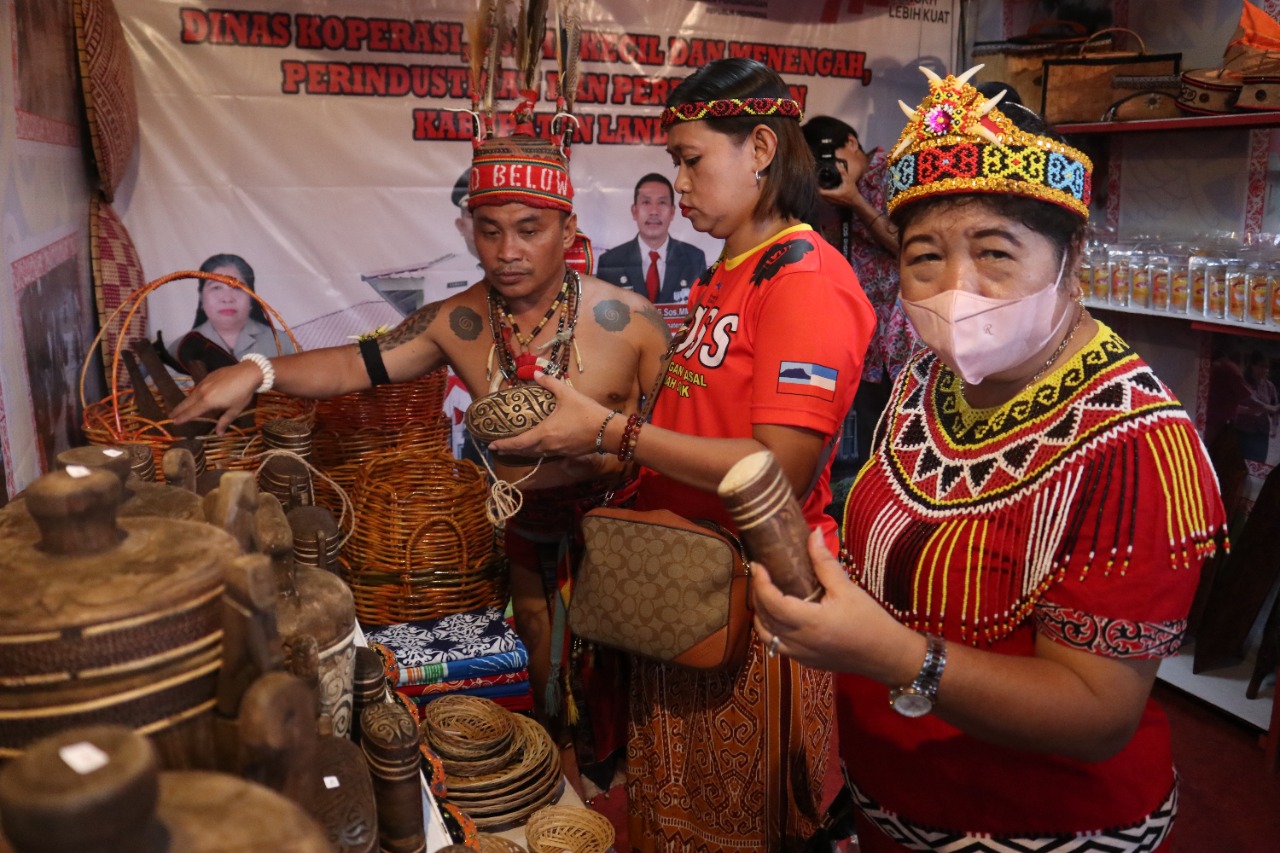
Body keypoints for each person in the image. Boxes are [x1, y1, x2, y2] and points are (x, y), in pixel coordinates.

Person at [750, 67, 1227, 852]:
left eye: (996, 253)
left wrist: (890, 654)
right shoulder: (926, 377)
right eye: (925, 256)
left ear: (1071, 259)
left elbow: (1098, 713)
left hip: (1039, 825)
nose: (956, 291)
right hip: (891, 801)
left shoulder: (1135, 440)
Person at [170, 133, 671, 794]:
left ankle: (630, 789)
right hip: (527, 528)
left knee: (625, 683)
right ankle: (561, 782)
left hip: (618, 531)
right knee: (544, 662)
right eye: (490, 231)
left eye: (529, 229)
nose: (508, 250)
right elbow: (355, 364)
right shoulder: (456, 321)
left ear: (567, 227)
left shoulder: (630, 320)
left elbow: (674, 440)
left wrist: (601, 441)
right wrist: (256, 370)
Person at [490, 57, 875, 851]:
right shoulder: (726, 273)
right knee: (674, 819)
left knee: (746, 827)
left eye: (691, 159)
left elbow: (777, 469)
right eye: (675, 162)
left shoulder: (805, 281)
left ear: (761, 148)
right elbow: (696, 421)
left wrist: (609, 432)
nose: (680, 181)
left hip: (754, 606)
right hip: (676, 589)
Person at [802, 115, 917, 474]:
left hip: (902, 336)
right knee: (870, 441)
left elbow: (908, 245)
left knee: (906, 439)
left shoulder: (896, 173)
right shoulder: (824, 192)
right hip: (861, 339)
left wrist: (855, 200)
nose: (828, 171)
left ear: (851, 143)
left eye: (832, 161)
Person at [168, 253, 296, 372]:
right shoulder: (180, 347)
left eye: (237, 288)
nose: (227, 298)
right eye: (216, 287)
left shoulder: (281, 343)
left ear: (251, 297)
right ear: (201, 297)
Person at [596, 173, 707, 305]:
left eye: (662, 202)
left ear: (672, 212)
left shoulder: (694, 259)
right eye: (646, 202)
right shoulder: (609, 261)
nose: (654, 211)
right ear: (634, 211)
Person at [1236, 350, 1280, 463]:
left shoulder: (1269, 386)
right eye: (1261, 366)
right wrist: (1252, 411)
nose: (1265, 370)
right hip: (1244, 431)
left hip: (1261, 433)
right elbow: (1237, 406)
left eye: (1267, 367)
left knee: (1258, 463)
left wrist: (1274, 427)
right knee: (1240, 463)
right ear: (1252, 366)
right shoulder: (1243, 383)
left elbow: (1275, 408)